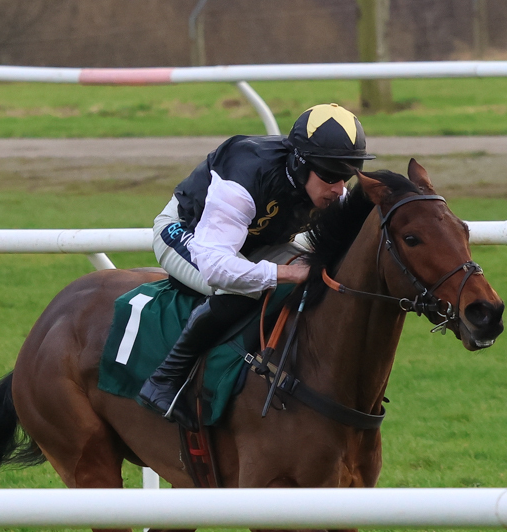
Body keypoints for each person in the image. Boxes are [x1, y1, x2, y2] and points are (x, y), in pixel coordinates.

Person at [138, 103, 375, 425]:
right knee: (243, 287)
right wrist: (286, 273)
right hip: (187, 234)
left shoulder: (329, 189)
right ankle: (164, 379)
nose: (338, 188)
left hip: (258, 243)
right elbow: (215, 266)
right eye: (330, 176)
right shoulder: (244, 177)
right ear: (301, 164)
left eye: (345, 177)